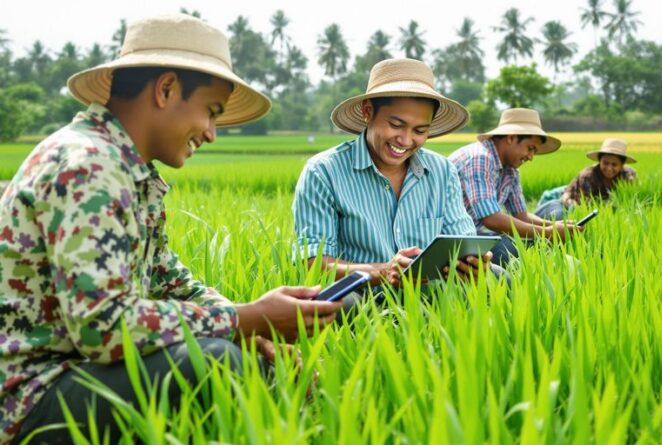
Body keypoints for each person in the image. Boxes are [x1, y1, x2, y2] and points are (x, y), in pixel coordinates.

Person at [0, 15, 342, 444]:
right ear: (165, 90)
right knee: (217, 361)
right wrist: (242, 319)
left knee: (246, 357)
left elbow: (167, 278)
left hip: (79, 373)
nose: (213, 134)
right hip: (31, 399)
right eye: (211, 112)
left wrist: (253, 325)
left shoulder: (128, 169)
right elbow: (103, 327)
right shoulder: (88, 165)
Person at [292, 58, 492, 297]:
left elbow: (463, 241)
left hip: (430, 292)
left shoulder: (442, 171)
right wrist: (382, 272)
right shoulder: (323, 172)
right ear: (368, 112)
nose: (406, 141)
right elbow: (312, 261)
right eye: (396, 125)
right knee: (342, 304)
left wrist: (472, 263)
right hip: (365, 297)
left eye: (420, 131)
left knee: (499, 278)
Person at [448, 109, 582, 266]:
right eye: (530, 148)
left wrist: (555, 227)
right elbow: (491, 218)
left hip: (479, 234)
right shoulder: (481, 158)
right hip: (453, 238)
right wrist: (547, 233)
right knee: (511, 248)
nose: (531, 157)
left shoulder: (510, 170)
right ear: (511, 138)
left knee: (553, 215)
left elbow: (521, 215)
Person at [534, 138, 637, 220]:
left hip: (601, 203)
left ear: (622, 165)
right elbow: (585, 206)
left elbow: (629, 200)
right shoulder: (588, 176)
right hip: (571, 196)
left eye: (614, 165)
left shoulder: (629, 176)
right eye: (605, 163)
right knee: (560, 214)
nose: (609, 168)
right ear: (599, 161)